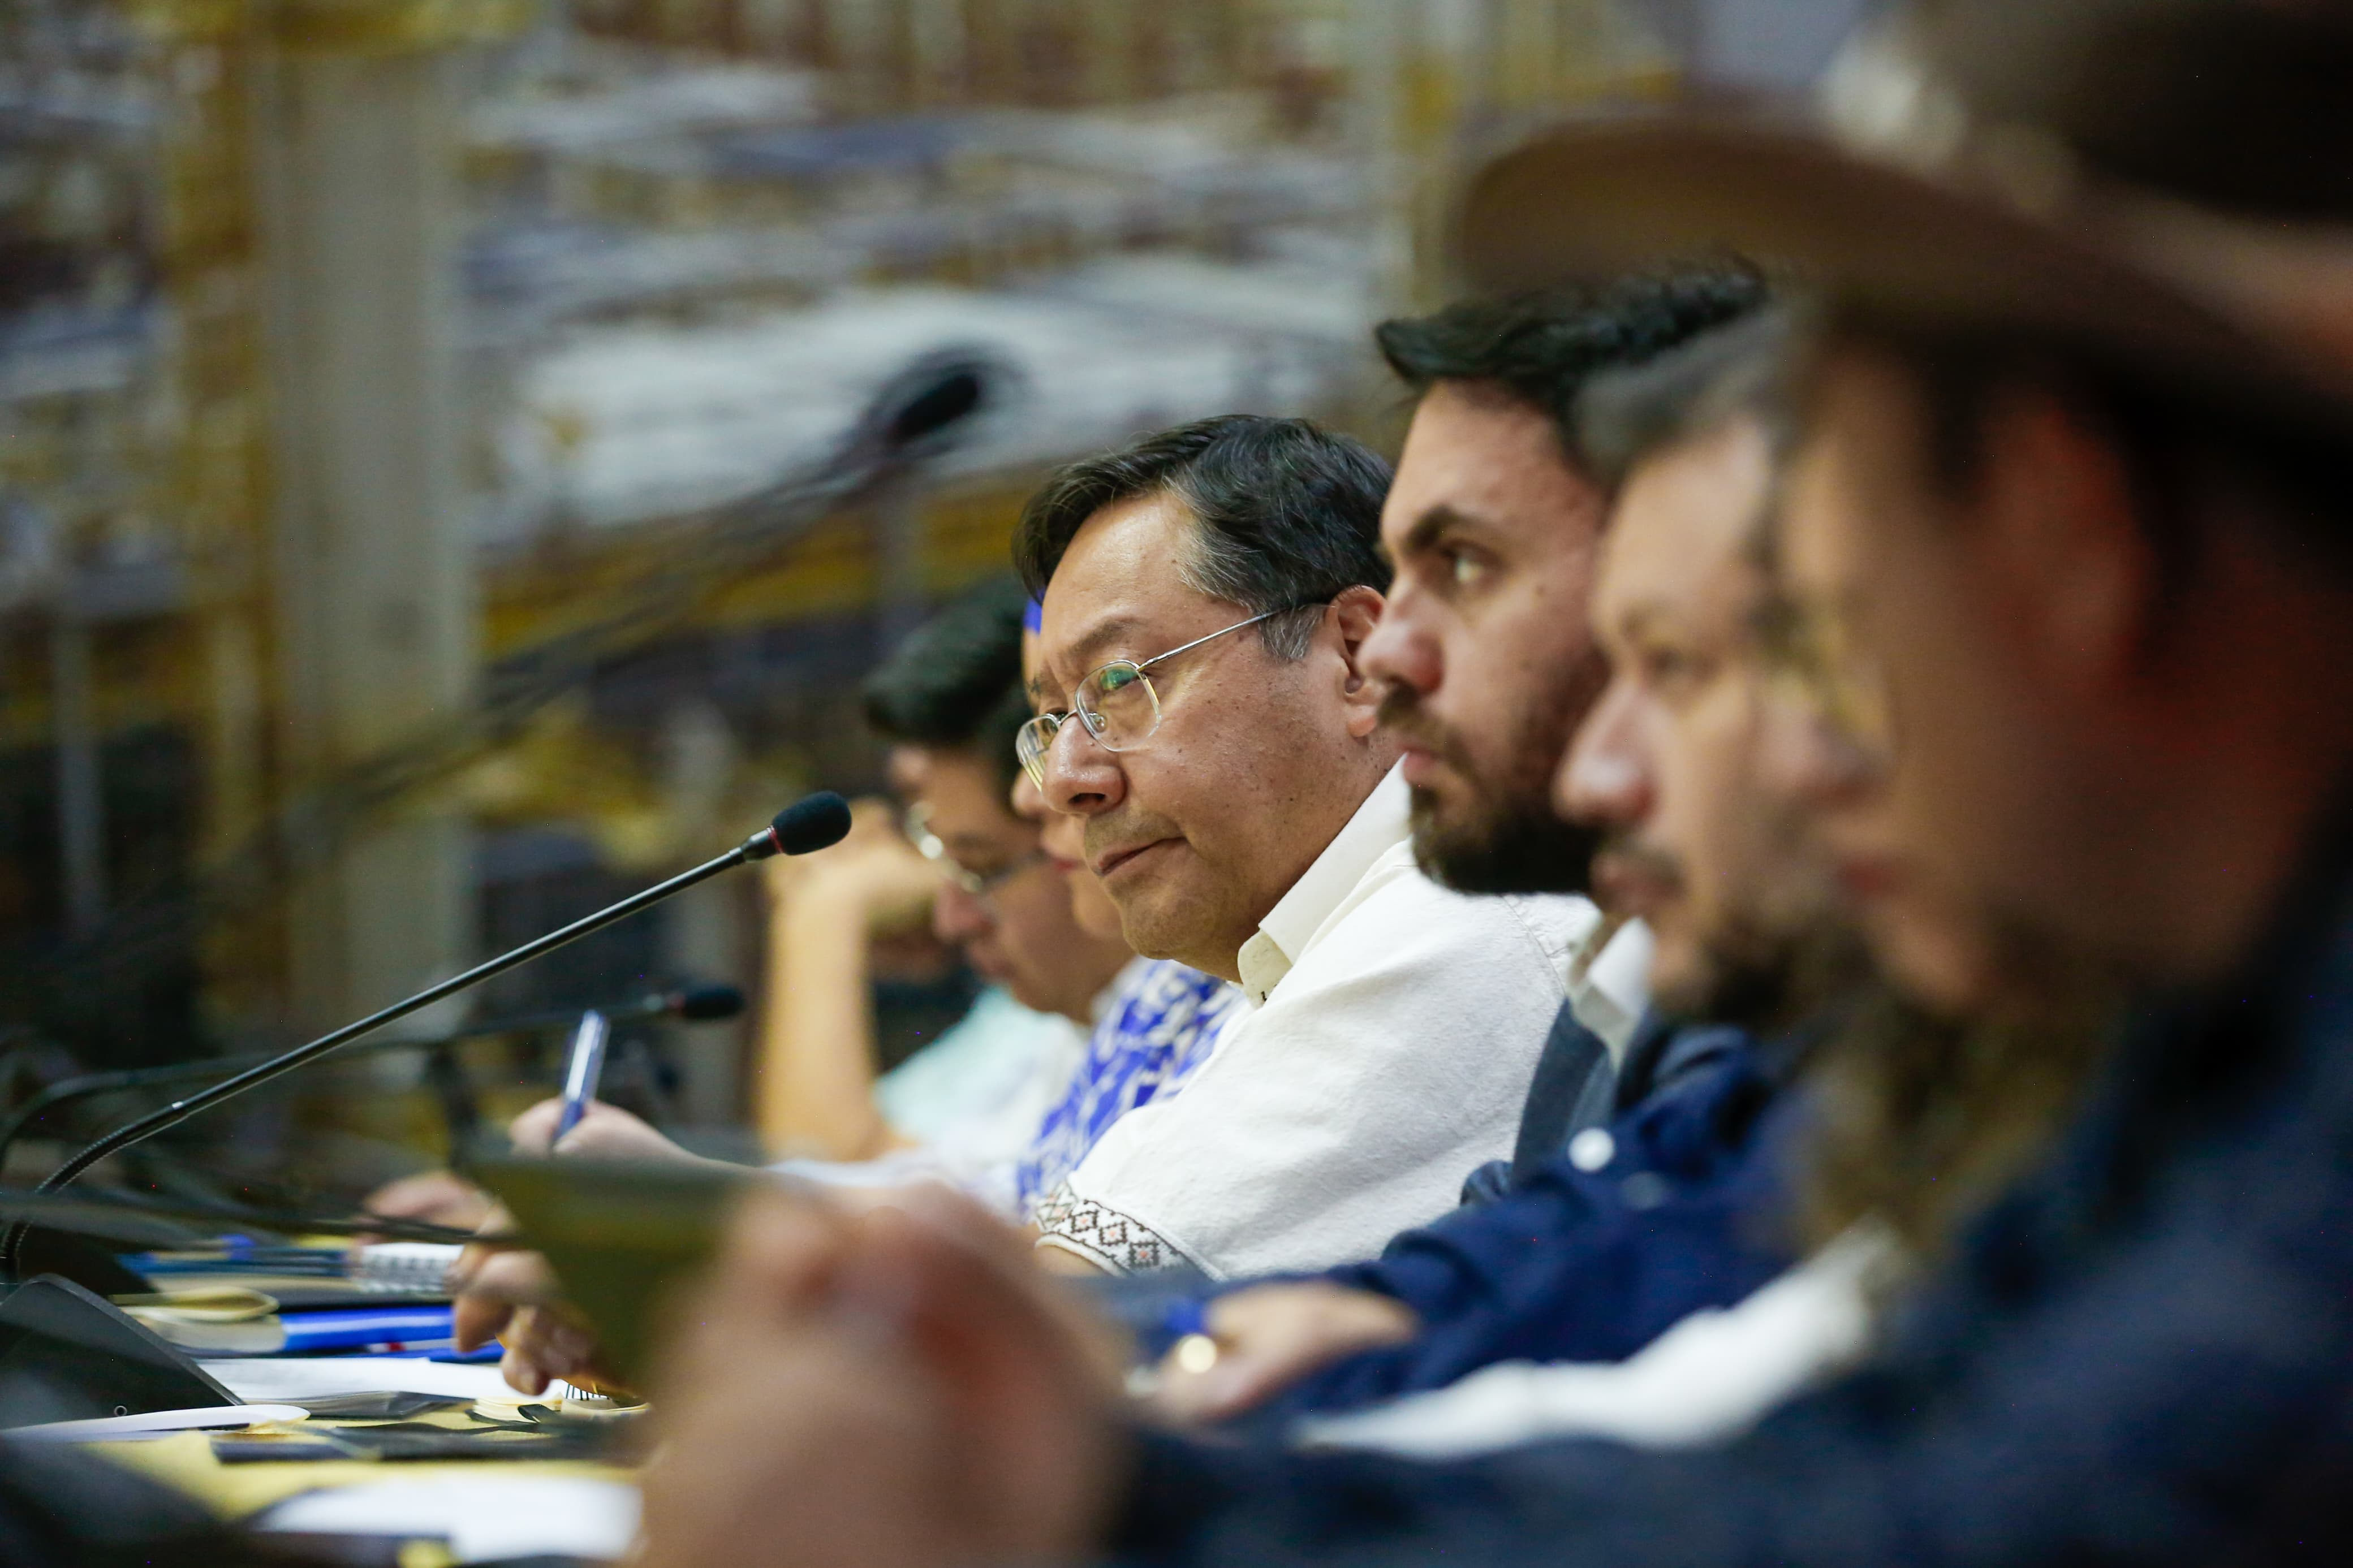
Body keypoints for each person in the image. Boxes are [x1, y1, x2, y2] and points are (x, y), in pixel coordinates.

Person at [635, 11, 2353, 1561]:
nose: (1637, 757)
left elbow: (1960, 1523)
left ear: (2071, 535)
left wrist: (1090, 1502)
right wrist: (1111, 1491)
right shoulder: (2199, 1022)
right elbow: (1861, 1454)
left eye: (1817, 629)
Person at [1018, 415, 1606, 1278]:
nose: (1067, 778)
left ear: (1360, 657)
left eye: (1120, 684)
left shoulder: (1456, 912)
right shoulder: (1287, 938)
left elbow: (1053, 1316)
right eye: (1054, 718)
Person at [755, 574, 1134, 1186]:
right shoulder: (1068, 1026)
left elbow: (827, 1168)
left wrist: (824, 910)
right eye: (939, 862)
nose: (951, 916)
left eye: (978, 866)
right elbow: (861, 1187)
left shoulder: (1187, 1011)